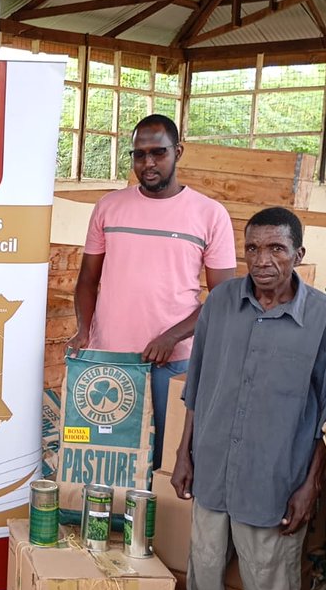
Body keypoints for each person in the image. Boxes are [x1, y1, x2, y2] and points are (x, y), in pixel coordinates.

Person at [167, 206, 326, 590]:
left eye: (277, 249)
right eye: (254, 249)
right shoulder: (222, 302)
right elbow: (197, 386)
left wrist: (311, 484)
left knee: (271, 586)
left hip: (274, 476)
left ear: (298, 255)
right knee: (203, 575)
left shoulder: (321, 319)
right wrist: (184, 453)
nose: (264, 261)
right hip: (213, 469)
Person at [69, 115, 236, 468]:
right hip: (110, 360)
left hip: (173, 362)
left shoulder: (210, 215)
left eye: (158, 153)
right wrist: (83, 330)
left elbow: (224, 298)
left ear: (178, 152)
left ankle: (159, 525)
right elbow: (87, 279)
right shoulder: (109, 207)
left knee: (167, 462)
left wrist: (171, 336)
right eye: (139, 154)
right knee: (107, 460)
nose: (147, 163)